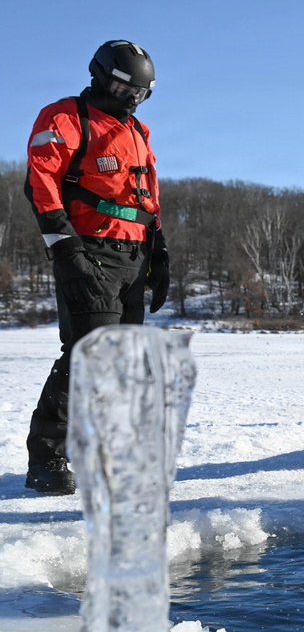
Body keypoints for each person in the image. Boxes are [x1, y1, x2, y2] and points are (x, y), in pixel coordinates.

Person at [23, 40, 169, 495]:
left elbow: (145, 194)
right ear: (102, 74)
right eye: (126, 88)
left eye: (141, 92)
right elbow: (40, 181)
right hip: (89, 249)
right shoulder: (66, 117)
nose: (132, 98)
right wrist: (65, 248)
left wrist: (159, 248)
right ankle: (47, 456)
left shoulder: (138, 132)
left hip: (134, 254)